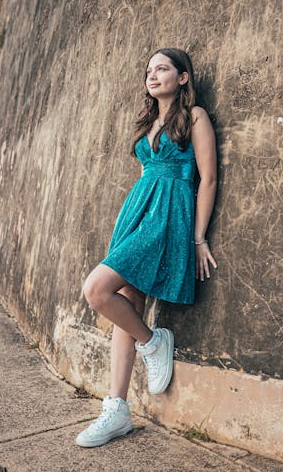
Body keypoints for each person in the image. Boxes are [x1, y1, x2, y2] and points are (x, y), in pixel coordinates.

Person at [76, 47, 217, 448]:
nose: (153, 76)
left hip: (169, 215)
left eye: (163, 69)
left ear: (183, 77)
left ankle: (153, 342)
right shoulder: (149, 121)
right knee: (126, 299)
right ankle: (117, 408)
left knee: (96, 289)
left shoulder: (195, 117)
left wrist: (198, 238)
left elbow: (206, 179)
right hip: (138, 210)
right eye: (149, 70)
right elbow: (146, 173)